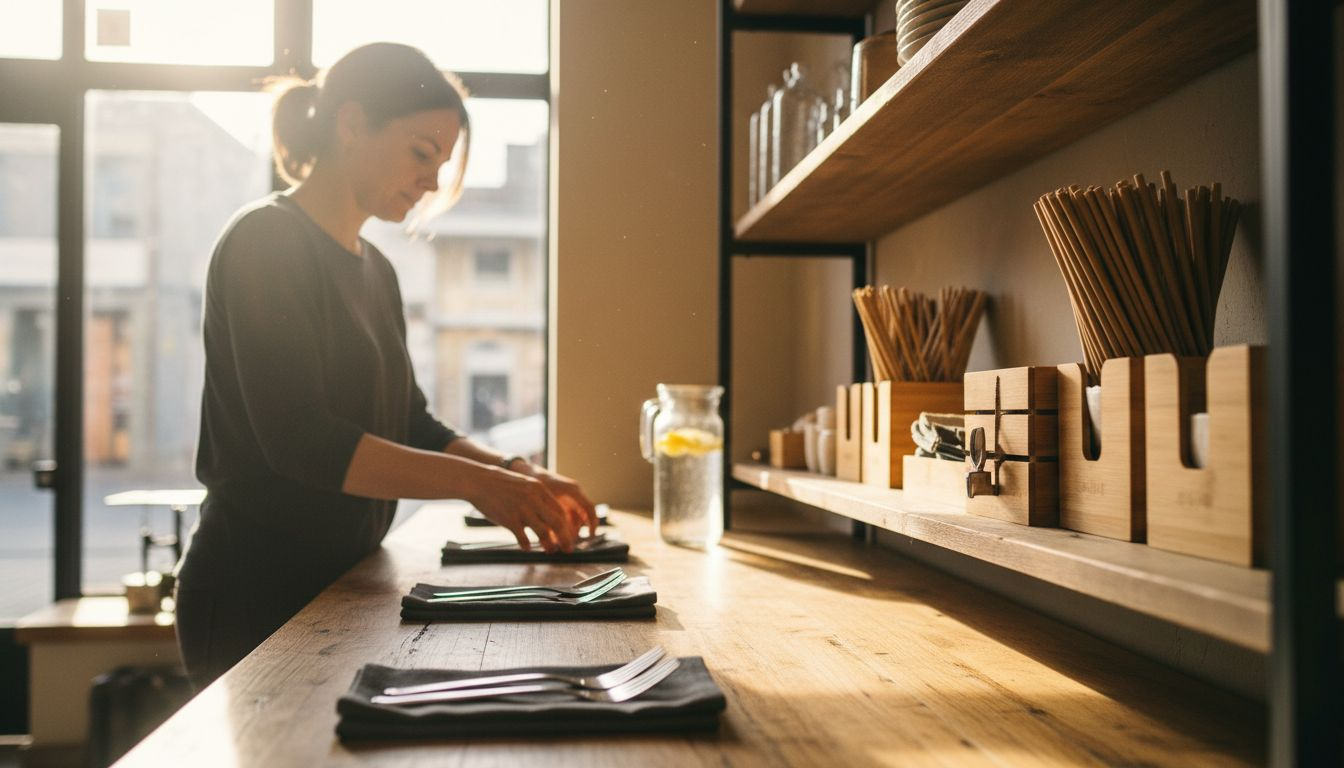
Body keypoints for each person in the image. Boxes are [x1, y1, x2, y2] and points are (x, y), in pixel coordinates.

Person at [175, 42, 596, 691]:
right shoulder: (264, 241)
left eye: (441, 162)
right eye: (421, 153)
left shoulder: (378, 271)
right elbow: (299, 440)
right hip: (252, 590)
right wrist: (478, 486)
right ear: (350, 123)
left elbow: (409, 422)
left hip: (344, 581)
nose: (431, 181)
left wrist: (514, 473)